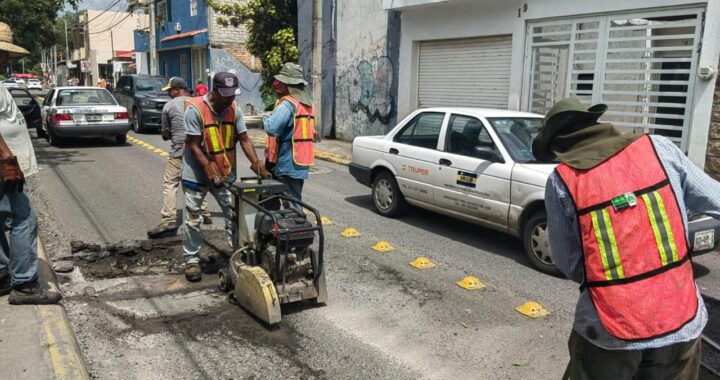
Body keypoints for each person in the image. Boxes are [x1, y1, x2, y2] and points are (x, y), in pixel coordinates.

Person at [534, 97, 718, 379]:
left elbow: (569, 263)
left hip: (609, 329)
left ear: (558, 145)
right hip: (681, 320)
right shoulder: (659, 148)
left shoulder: (563, 180)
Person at [181, 72, 271, 282]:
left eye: (233, 95)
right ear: (214, 91)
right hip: (196, 173)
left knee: (233, 214)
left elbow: (245, 139)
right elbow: (194, 146)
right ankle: (192, 260)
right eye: (226, 96)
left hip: (225, 171)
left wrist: (257, 165)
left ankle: (238, 254)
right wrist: (210, 171)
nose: (230, 99)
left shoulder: (234, 110)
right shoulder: (195, 110)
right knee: (194, 217)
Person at [0, 22, 61, 304]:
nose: (5, 59)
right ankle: (24, 285)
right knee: (23, 219)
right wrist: (7, 157)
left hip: (6, 163)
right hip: (5, 165)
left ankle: (3, 274)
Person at [147, 77, 212, 238]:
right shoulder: (199, 103)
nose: (169, 93)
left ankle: (168, 219)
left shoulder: (169, 106)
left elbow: (165, 133)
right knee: (197, 180)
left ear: (178, 89)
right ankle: (203, 211)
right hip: (198, 150)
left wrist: (167, 134)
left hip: (178, 151)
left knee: (170, 183)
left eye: (170, 90)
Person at [263, 62, 316, 210]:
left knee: (290, 204)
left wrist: (266, 116)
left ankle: (295, 229)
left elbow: (271, 128)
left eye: (282, 82)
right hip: (300, 162)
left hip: (287, 161)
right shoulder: (307, 105)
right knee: (293, 199)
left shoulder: (288, 104)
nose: (277, 85)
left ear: (289, 85)